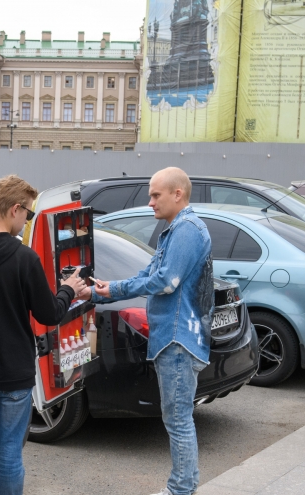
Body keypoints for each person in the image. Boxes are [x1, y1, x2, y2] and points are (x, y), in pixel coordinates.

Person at [0, 175, 86, 495]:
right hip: (13, 372)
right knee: (9, 456)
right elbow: (49, 314)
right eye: (29, 214)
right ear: (15, 209)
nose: (28, 221)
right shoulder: (24, 258)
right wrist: (68, 289)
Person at [83, 167, 214, 495]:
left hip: (177, 339)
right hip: (174, 338)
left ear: (177, 194)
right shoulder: (174, 230)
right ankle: (182, 487)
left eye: (156, 194)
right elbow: (150, 271)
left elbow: (164, 281)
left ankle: (181, 489)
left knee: (178, 421)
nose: (150, 201)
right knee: (177, 419)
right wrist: (107, 287)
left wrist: (110, 291)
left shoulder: (186, 230)